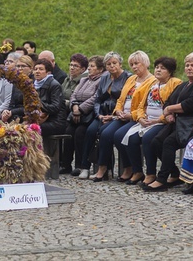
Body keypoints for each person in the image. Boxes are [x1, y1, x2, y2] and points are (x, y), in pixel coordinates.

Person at [144, 53, 193, 192]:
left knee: (168, 143)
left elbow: (189, 105)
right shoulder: (184, 84)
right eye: (187, 65)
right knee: (156, 142)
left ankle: (161, 179)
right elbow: (169, 100)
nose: (189, 68)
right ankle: (175, 173)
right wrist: (168, 113)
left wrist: (170, 109)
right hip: (178, 122)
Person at [91, 51, 155, 182]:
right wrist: (118, 111)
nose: (134, 67)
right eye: (132, 64)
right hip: (122, 115)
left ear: (145, 63)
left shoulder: (152, 81)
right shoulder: (131, 79)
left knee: (119, 135)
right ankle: (103, 167)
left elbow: (146, 105)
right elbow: (121, 99)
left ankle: (132, 168)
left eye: (137, 63)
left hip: (135, 117)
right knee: (105, 133)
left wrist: (130, 115)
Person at [121, 56, 182, 186]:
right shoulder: (153, 84)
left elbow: (171, 107)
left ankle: (151, 173)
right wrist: (141, 117)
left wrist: (156, 121)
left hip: (163, 122)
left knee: (148, 138)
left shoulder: (175, 83)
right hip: (147, 121)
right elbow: (141, 105)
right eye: (157, 67)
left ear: (170, 72)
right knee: (131, 139)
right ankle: (137, 171)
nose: (158, 70)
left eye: (163, 68)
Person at [78, 52, 131, 179]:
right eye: (108, 64)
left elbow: (126, 101)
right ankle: (85, 166)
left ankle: (105, 168)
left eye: (114, 63)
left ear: (120, 64)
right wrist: (99, 115)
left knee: (104, 133)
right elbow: (97, 99)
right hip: (102, 113)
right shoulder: (105, 77)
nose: (112, 66)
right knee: (90, 131)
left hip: (117, 114)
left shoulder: (128, 77)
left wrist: (112, 116)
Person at [61, 55, 104, 175]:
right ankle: (66, 164)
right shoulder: (84, 80)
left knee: (80, 133)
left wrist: (80, 109)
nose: (89, 69)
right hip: (76, 111)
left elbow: (95, 98)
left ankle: (80, 165)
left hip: (88, 114)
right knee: (69, 132)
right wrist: (74, 107)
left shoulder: (101, 80)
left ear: (100, 69)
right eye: (89, 66)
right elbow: (74, 95)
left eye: (92, 66)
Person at [33, 58, 66, 136]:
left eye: (41, 69)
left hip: (55, 122)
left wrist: (37, 103)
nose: (37, 71)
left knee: (29, 129)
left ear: (48, 72)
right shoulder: (33, 85)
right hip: (41, 119)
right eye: (35, 69)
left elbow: (55, 107)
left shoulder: (55, 85)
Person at [1, 55, 33, 122]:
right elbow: (11, 103)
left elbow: (30, 107)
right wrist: (6, 112)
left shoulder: (33, 83)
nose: (20, 68)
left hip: (27, 116)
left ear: (31, 68)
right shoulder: (16, 83)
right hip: (14, 115)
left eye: (23, 66)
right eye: (18, 66)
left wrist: (12, 112)